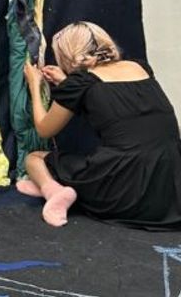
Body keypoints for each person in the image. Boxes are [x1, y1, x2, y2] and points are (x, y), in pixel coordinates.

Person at [16, 21, 181, 229]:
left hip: (123, 190)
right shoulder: (140, 68)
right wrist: (67, 84)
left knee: (34, 159)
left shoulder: (80, 83)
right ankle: (53, 186)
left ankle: (53, 191)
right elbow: (110, 102)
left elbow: (44, 129)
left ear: (67, 55)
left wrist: (34, 85)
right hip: (170, 187)